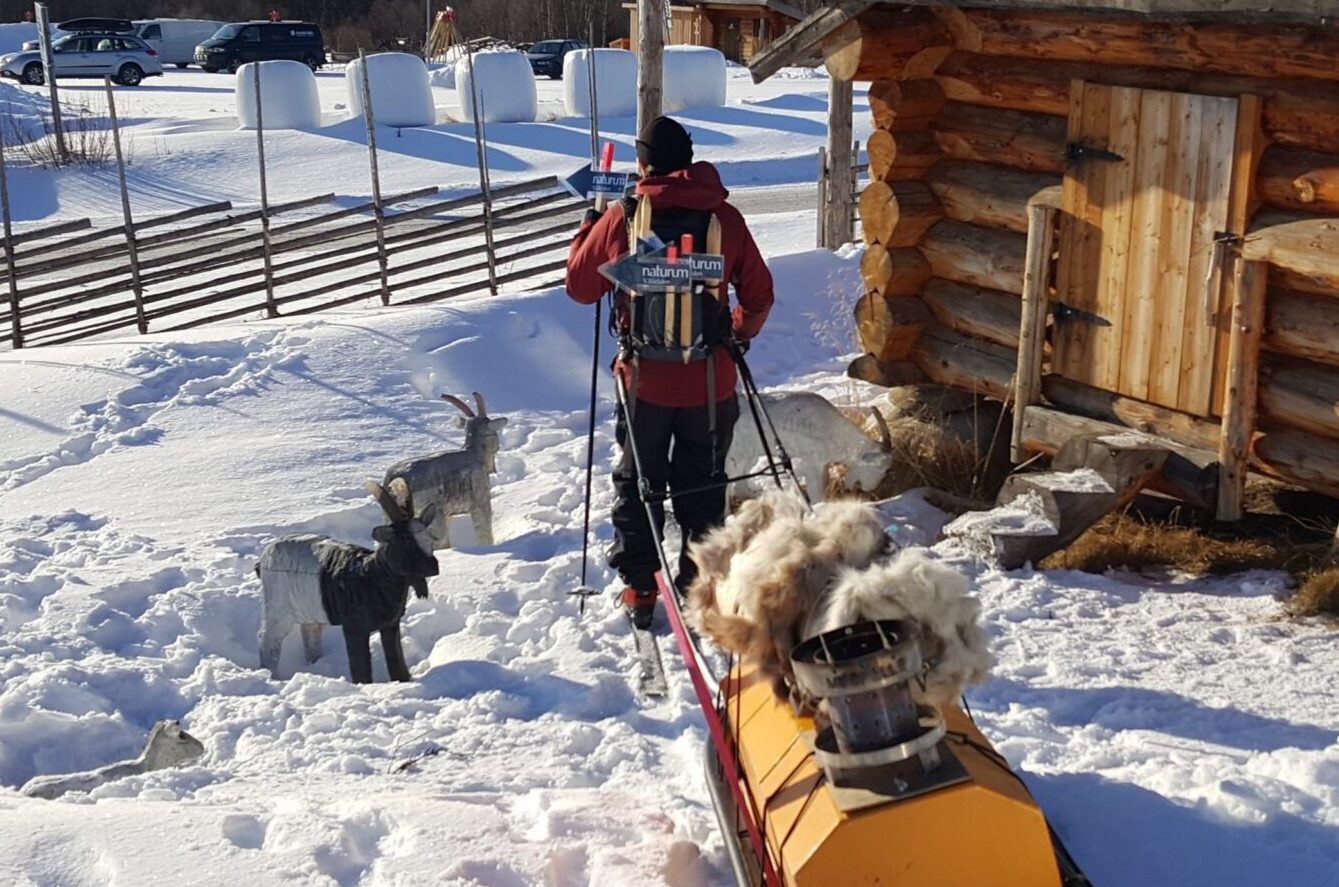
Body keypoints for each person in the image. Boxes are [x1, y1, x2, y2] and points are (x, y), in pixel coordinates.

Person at [565, 115, 774, 629]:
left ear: (643, 163)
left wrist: (590, 229)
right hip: (711, 381)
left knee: (639, 483)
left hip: (644, 383)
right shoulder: (724, 217)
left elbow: (580, 286)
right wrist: (737, 335)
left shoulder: (625, 216)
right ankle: (696, 589)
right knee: (703, 488)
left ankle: (640, 590)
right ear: (691, 159)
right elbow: (760, 294)